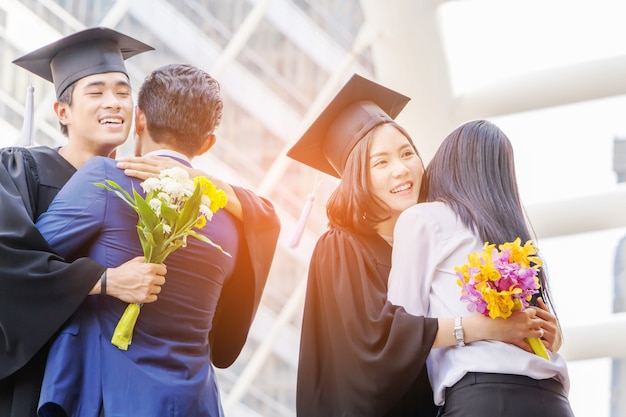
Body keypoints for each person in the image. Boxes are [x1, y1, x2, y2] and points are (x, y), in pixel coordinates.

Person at [286, 74, 559, 417]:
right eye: (380, 162)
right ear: (357, 177)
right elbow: (374, 340)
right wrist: (483, 328)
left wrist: (537, 327)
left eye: (407, 153)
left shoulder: (434, 238)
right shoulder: (341, 246)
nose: (401, 170)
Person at [34, 63, 280, 417]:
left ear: (140, 120)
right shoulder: (234, 220)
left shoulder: (107, 178)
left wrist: (99, 280)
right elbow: (224, 336)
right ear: (208, 143)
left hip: (110, 397)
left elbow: (28, 263)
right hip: (193, 404)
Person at [0, 27, 168, 417]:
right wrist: (104, 280)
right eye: (96, 92)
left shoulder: (146, 187)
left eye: (123, 92)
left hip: (112, 389)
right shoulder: (19, 170)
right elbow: (5, 259)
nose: (114, 103)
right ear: (63, 111)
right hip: (37, 385)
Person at [387, 119, 573, 416]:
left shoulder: (423, 219)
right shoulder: (517, 240)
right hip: (552, 400)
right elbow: (547, 334)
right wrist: (556, 337)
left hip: (483, 395)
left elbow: (401, 330)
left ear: (447, 163)